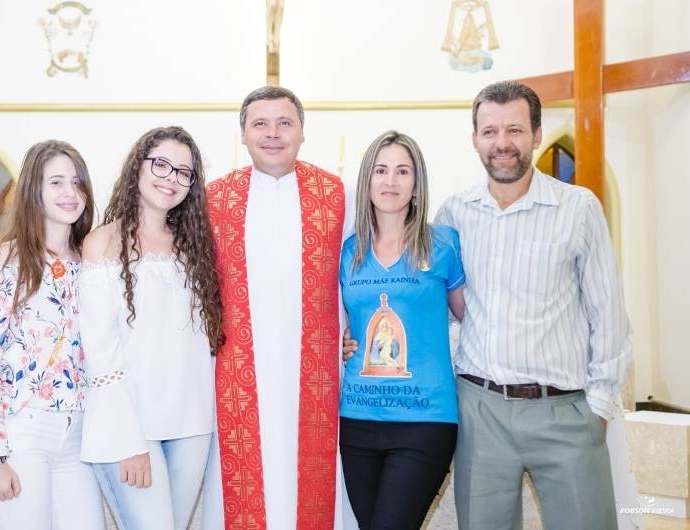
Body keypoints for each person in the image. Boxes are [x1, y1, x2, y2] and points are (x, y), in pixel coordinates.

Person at [435, 80, 632, 529]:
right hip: (480, 412)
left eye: (514, 130)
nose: (502, 143)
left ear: (537, 135)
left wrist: (598, 407)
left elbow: (609, 314)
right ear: (474, 140)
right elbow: (438, 307)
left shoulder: (578, 208)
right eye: (489, 132)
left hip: (563, 412)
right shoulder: (454, 214)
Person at [202, 86, 355, 529]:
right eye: (260, 124)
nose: (273, 134)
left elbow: (359, 273)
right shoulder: (216, 199)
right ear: (243, 134)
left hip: (318, 371)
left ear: (303, 132)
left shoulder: (337, 195)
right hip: (237, 372)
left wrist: (355, 330)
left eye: (285, 123)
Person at [78, 126, 223, 530]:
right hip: (129, 424)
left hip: (192, 422)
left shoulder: (195, 245)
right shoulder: (102, 243)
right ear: (137, 167)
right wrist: (128, 441)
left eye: (183, 172)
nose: (170, 178)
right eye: (161, 164)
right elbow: (100, 350)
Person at [0, 140, 104, 530]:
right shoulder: (6, 257)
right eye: (55, 182)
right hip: (21, 431)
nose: (70, 193)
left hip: (80, 435)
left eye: (77, 183)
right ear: (33, 190)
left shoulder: (92, 261)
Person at [339, 131, 465, 530]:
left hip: (424, 420)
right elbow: (334, 321)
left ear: (416, 183)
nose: (390, 181)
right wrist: (342, 343)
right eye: (380, 170)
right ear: (367, 180)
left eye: (402, 171)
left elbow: (471, 320)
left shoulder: (442, 244)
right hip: (356, 419)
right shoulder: (347, 251)